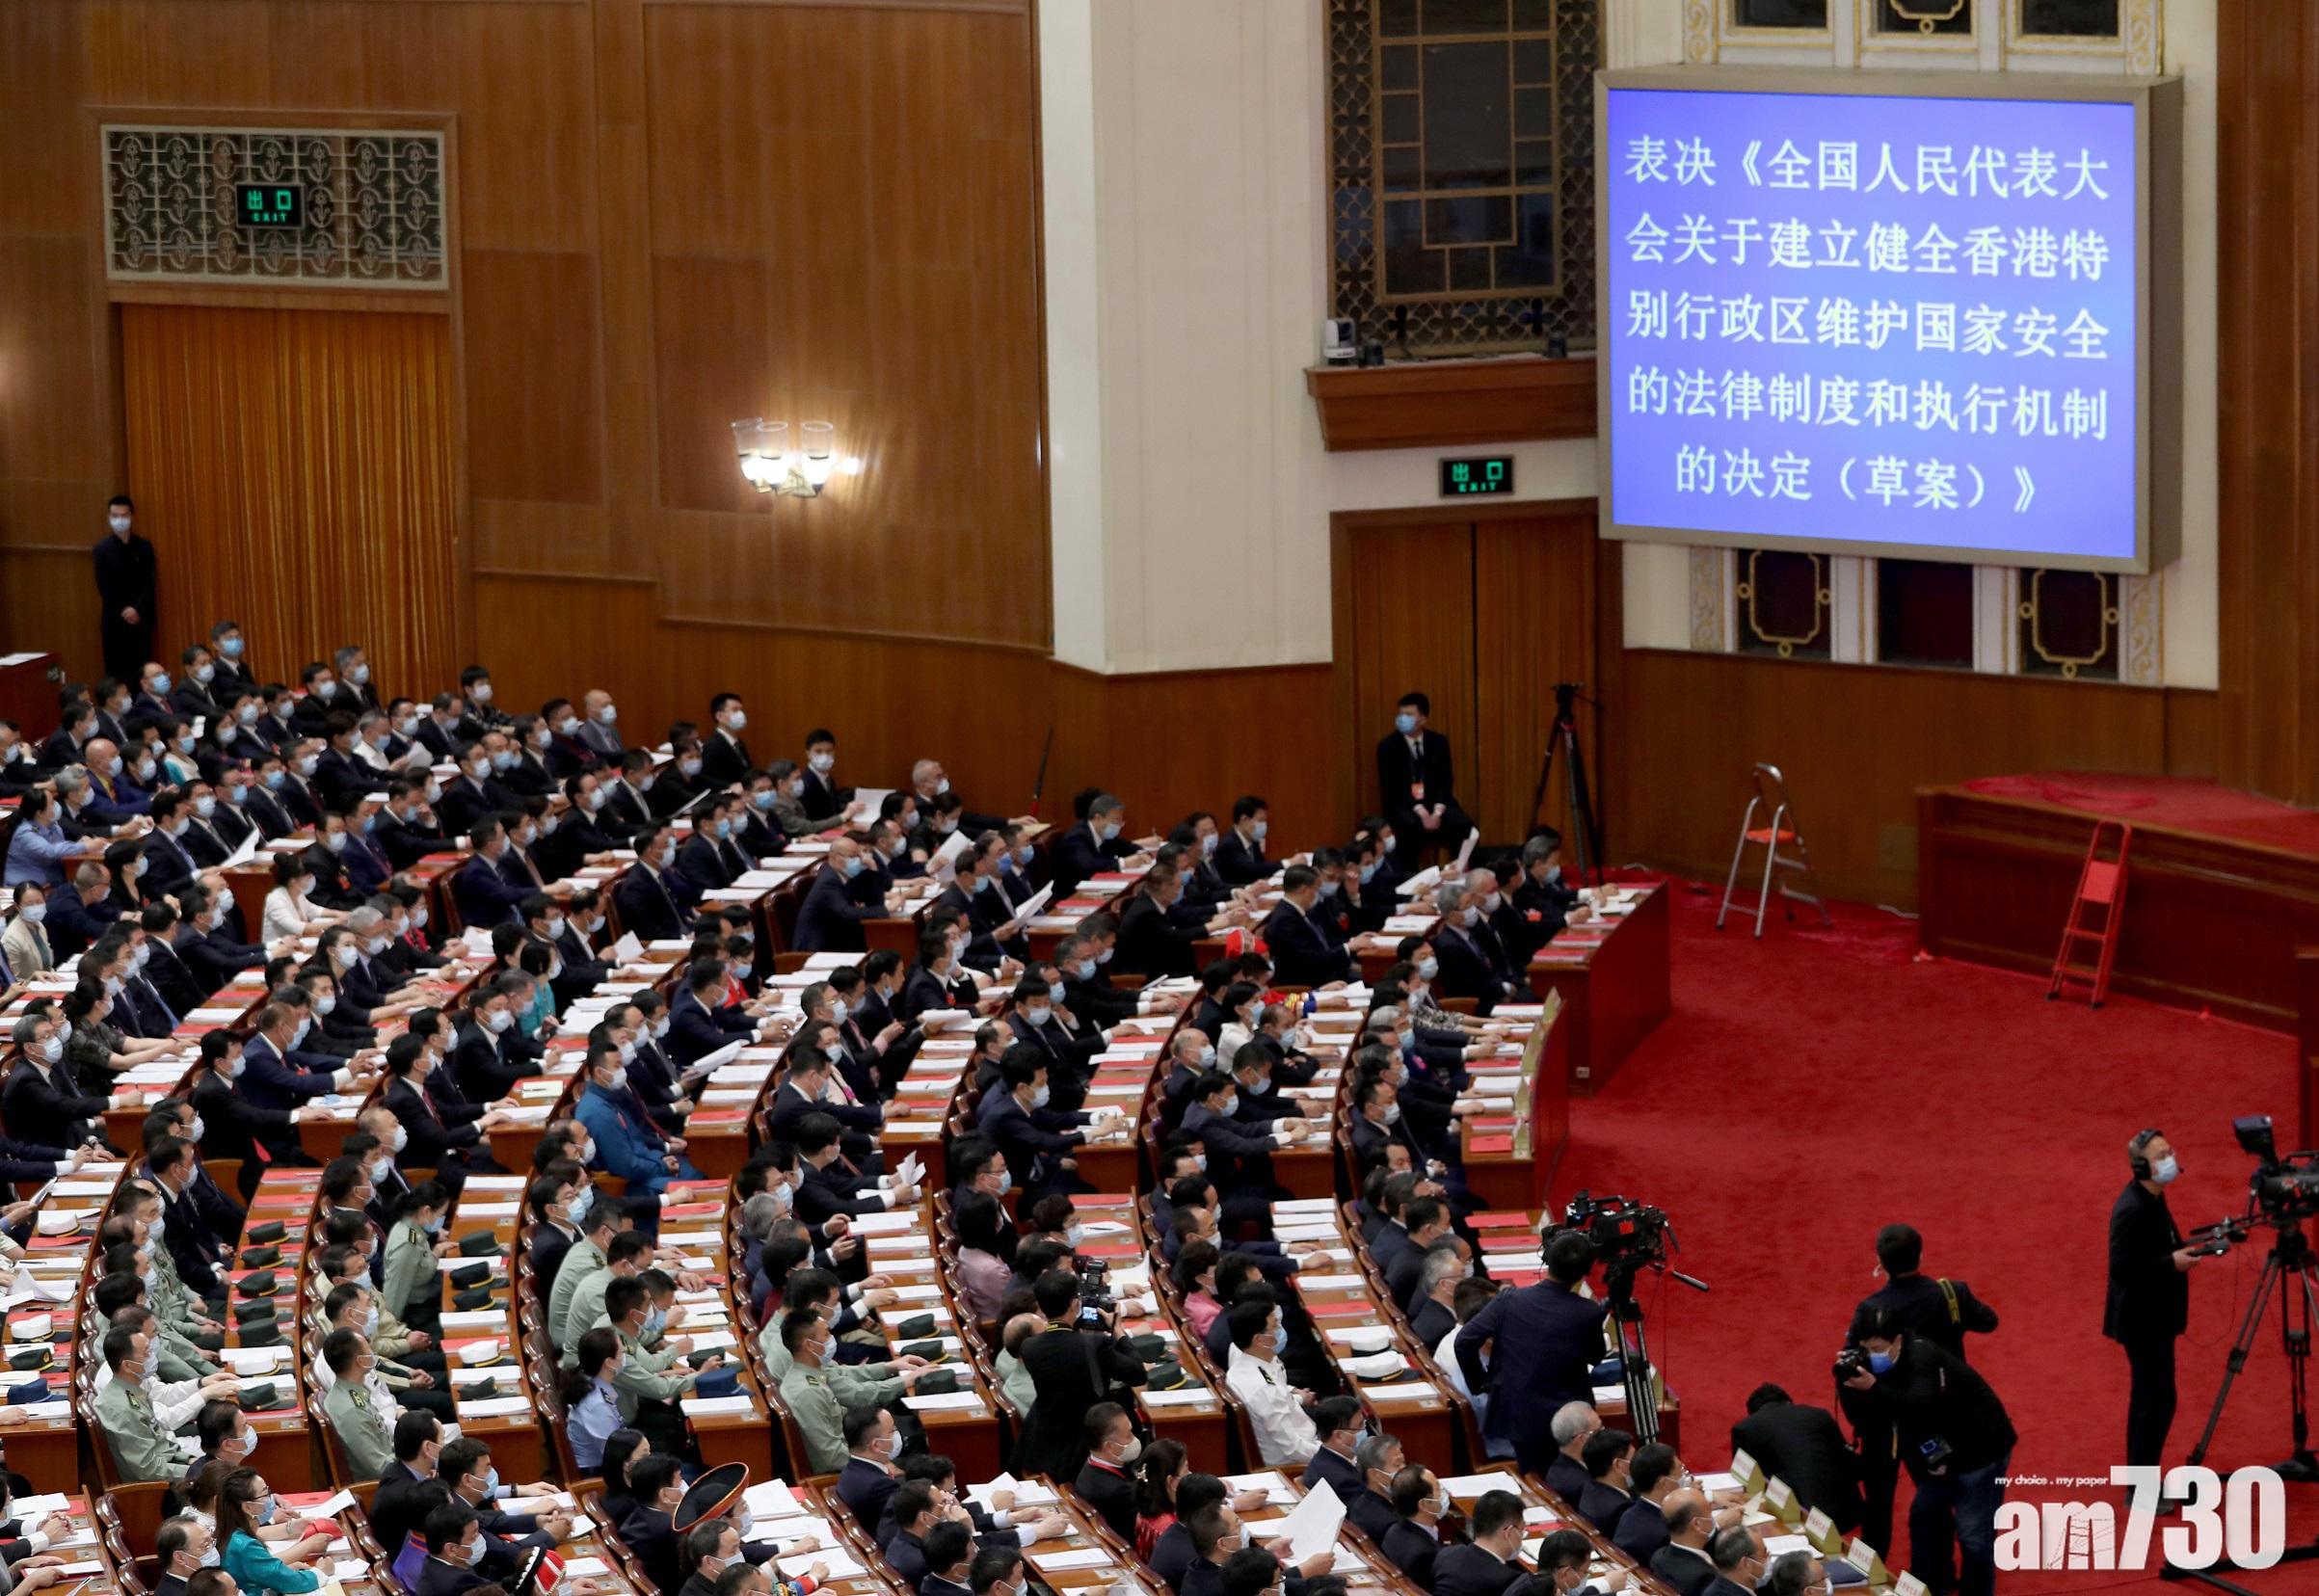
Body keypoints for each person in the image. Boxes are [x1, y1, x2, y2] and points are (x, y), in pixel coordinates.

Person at [1841, 1222, 1998, 1558]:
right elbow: (1989, 1321)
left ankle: (1869, 1573)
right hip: (1935, 1414)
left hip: (1884, 1416)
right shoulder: (1951, 1293)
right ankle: (1939, 1576)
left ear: (1880, 1262)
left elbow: (1853, 1361)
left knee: (1878, 1500)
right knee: (1936, 1495)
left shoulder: (1872, 1310)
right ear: (1921, 1255)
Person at [1841, 1307, 2015, 1596]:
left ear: (1898, 1341)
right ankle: (1925, 1588)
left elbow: (1920, 1404)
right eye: (1865, 1350)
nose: (1872, 1356)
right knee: (1923, 1516)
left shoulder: (1922, 1357)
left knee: (1974, 1536)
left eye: (1877, 1349)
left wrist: (1873, 1387)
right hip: (1938, 1453)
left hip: (1980, 1451)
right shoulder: (1880, 1360)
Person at [1453, 1232, 1608, 1474]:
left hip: (1519, 1417)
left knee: (1538, 1482)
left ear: (1547, 1260)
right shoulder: (1588, 1312)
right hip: (1570, 1422)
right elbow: (1595, 1357)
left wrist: (1482, 1383)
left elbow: (1464, 1341)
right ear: (1584, 1274)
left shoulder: (1510, 1300)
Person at [2106, 1127, 2199, 1476]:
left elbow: (2158, 1246)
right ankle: (2141, 1489)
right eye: (2161, 1157)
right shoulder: (2133, 1208)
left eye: (2169, 1152)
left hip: (2153, 1318)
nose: (2170, 1160)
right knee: (2156, 1403)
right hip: (2142, 1322)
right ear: (2141, 1168)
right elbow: (2121, 1267)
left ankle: (2138, 1481)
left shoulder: (2153, 1198)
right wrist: (2170, 1263)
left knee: (2149, 1400)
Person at [1012, 1269, 1148, 1478]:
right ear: (1075, 1304)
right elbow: (1138, 1374)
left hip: (1048, 1441)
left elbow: (1063, 1350)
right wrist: (1118, 1330)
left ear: (1040, 1307)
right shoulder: (1094, 1344)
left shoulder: (1029, 1347)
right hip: (1088, 1441)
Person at [1728, 1386, 1862, 1535]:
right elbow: (1847, 1460)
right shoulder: (1819, 1415)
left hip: (1798, 1517)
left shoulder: (1746, 1428)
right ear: (1788, 1401)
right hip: (1846, 1512)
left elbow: (1747, 1480)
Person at [1374, 694, 1473, 859]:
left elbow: (1446, 780)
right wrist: (1422, 812)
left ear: (1423, 719)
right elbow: (1392, 788)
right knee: (1409, 825)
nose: (1402, 718)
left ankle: (1459, 870)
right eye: (1401, 714)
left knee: (1463, 824)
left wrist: (1436, 812)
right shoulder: (1387, 746)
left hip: (1436, 803)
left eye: (1409, 714)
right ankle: (1409, 877)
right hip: (1404, 804)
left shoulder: (1438, 742)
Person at [1221, 1300, 1316, 1468]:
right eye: (1275, 1325)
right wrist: (1334, 1455)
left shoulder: (1248, 1360)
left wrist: (1298, 1398)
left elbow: (1279, 1397)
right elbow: (1294, 1449)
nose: (1280, 1328)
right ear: (1259, 1339)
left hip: (1302, 1429)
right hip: (1293, 1463)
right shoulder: (1264, 1389)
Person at [218, 1469, 329, 1596]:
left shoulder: (230, 1529)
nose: (270, 1499)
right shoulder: (244, 1545)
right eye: (265, 1495)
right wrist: (320, 1571)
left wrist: (281, 1572)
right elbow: (291, 1583)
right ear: (247, 1507)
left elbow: (260, 1571)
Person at [93, 495, 157, 680]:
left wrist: (137, 608)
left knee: (143, 672)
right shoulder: (101, 549)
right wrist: (124, 610)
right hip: (115, 621)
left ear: (131, 516)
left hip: (141, 619)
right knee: (117, 674)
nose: (120, 520)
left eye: (124, 515)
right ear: (109, 516)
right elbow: (104, 586)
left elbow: (149, 581)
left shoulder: (144, 547)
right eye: (115, 515)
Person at [1430, 1490, 1527, 1596]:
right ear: (1509, 1532)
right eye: (1522, 1529)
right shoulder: (1510, 1581)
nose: (1522, 1534)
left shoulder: (1447, 1554)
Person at [1075, 1402, 1141, 1541]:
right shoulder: (1117, 1491)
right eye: (1128, 1434)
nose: (1133, 1439)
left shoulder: (1089, 1467)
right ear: (1109, 1446)